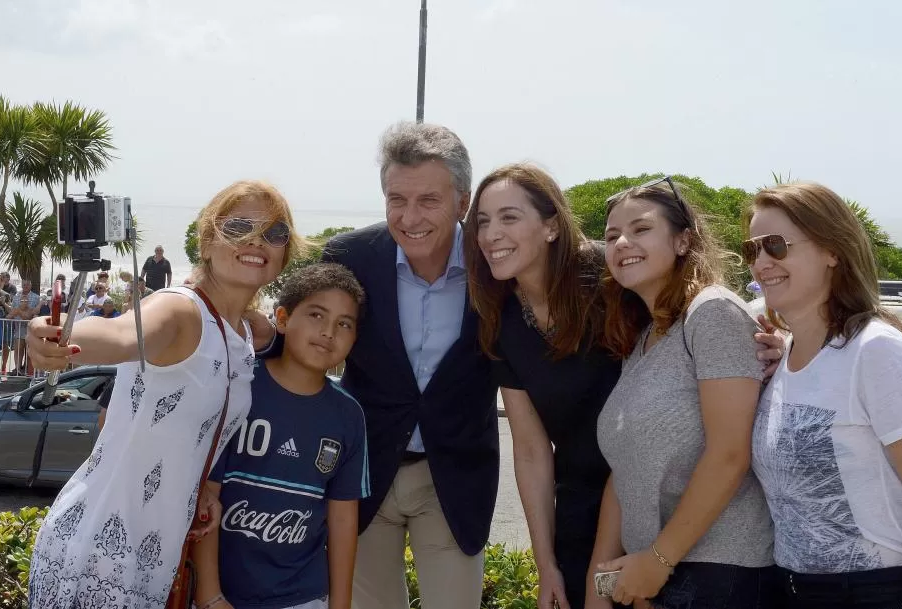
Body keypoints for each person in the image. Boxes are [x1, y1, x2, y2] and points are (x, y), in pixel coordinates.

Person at [25, 180, 303, 609]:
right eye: (239, 227)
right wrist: (56, 338)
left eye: (275, 232)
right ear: (207, 241)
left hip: (156, 562)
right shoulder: (180, 310)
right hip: (96, 555)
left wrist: (203, 486)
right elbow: (121, 333)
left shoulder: (244, 332)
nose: (256, 241)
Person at [309, 122, 499, 609]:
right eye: (397, 199)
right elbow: (311, 346)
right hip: (362, 476)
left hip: (452, 480)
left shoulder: (495, 266)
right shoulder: (350, 257)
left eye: (428, 201)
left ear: (463, 202)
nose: (409, 217)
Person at [592, 177, 776, 608]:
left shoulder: (711, 312)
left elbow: (730, 454)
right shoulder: (643, 339)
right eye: (611, 235)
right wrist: (599, 578)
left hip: (720, 576)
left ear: (683, 241)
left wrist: (658, 559)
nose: (621, 242)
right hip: (656, 576)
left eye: (640, 229)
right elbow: (625, 469)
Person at [745, 183, 902, 609]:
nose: (761, 262)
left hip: (876, 591)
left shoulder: (875, 351)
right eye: (752, 250)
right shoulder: (787, 359)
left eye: (776, 246)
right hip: (792, 589)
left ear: (832, 252)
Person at [465, 163, 621, 608]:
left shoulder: (609, 281)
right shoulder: (499, 316)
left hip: (654, 502)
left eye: (509, 218)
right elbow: (531, 450)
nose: (491, 234)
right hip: (577, 507)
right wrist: (545, 561)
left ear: (551, 226)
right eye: (483, 222)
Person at [193, 263, 370, 609]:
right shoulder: (239, 388)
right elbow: (206, 494)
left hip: (302, 596)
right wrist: (210, 595)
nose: (329, 332)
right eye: (317, 315)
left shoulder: (349, 416)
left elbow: (343, 516)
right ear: (284, 319)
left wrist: (341, 604)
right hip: (223, 595)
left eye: (344, 324)